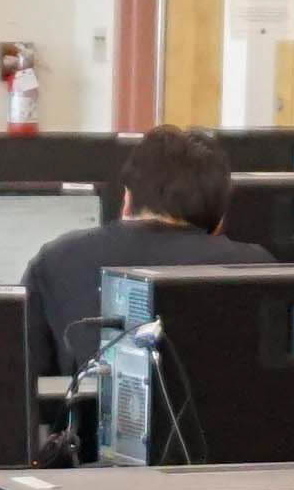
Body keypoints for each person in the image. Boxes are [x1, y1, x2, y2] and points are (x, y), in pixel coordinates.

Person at [22, 125, 234, 379]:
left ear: (127, 199)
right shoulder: (255, 268)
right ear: (220, 220)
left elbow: (27, 383)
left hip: (90, 406)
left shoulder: (57, 260)